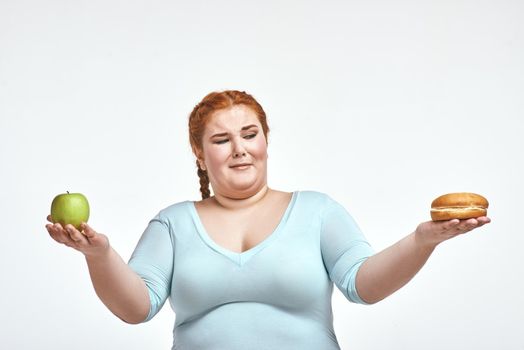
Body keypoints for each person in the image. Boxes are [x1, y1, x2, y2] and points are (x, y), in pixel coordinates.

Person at [45, 90, 491, 349]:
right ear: (200, 155)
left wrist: (421, 241)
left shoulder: (317, 210)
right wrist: (99, 255)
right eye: (221, 139)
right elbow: (136, 308)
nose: (239, 148)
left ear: (265, 141)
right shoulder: (173, 223)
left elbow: (363, 285)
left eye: (249, 134)